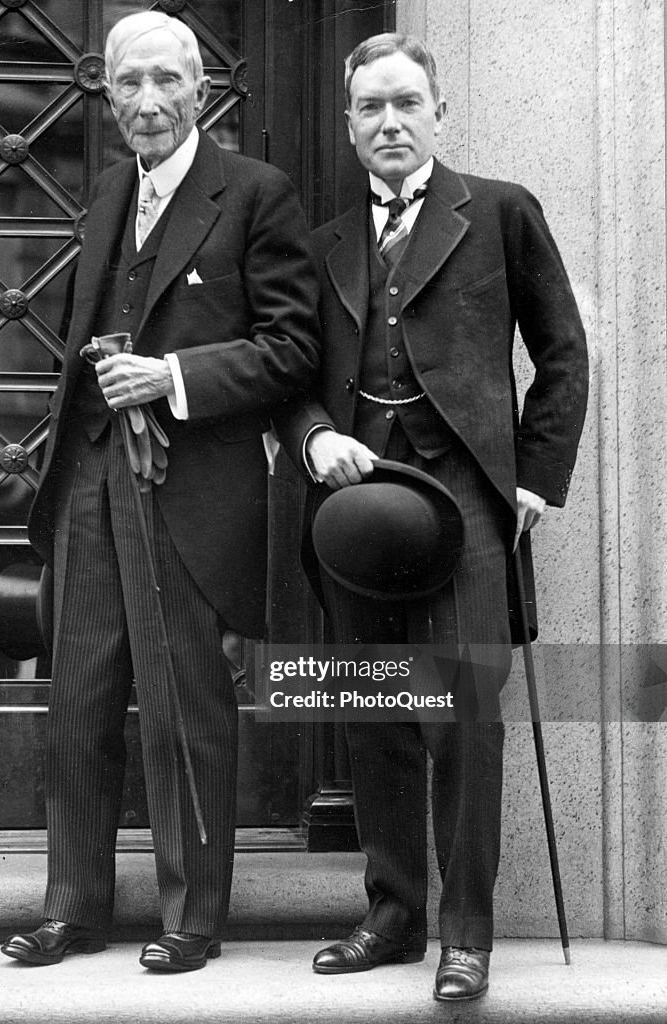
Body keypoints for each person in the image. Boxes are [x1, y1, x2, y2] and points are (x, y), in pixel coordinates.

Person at [0, 11, 318, 972]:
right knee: (80, 701)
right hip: (93, 479)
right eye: (127, 84)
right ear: (105, 92)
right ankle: (74, 908)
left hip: (188, 487)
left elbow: (295, 349)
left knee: (183, 703)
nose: (146, 103)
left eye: (165, 83)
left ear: (201, 89)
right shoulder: (105, 192)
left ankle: (192, 918)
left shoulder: (256, 193)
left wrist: (171, 376)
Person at [275, 33, 587, 1001]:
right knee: (372, 718)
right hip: (355, 513)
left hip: (469, 507)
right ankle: (393, 916)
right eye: (369, 108)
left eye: (406, 103)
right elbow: (288, 373)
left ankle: (467, 936)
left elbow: (562, 351)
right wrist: (315, 434)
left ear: (438, 111)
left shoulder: (498, 211)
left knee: (460, 720)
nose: (389, 123)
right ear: (348, 124)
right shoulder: (323, 244)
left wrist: (534, 478)